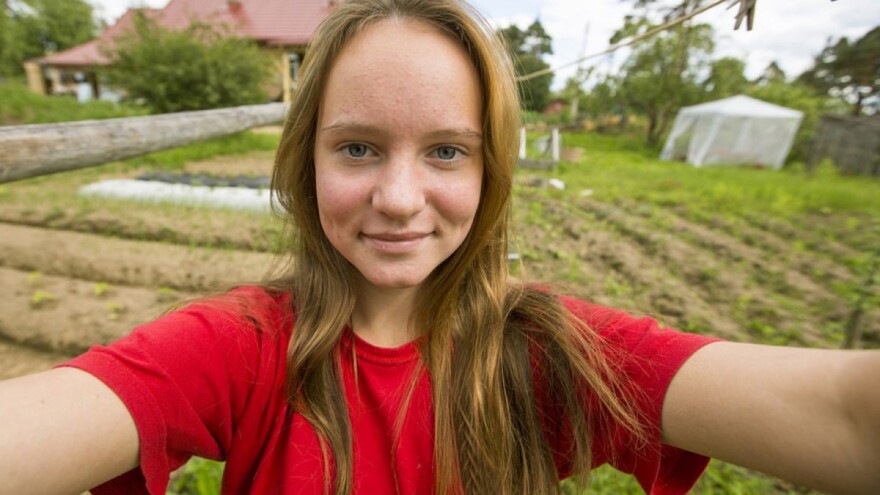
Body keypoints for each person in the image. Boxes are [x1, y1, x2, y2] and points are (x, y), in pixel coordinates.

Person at [1, 0, 878, 494]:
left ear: (492, 171)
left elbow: (845, 413)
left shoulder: (549, 352)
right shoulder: (247, 345)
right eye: (358, 147)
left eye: (446, 151)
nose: (397, 197)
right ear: (306, 163)